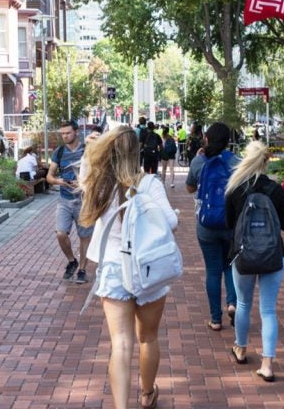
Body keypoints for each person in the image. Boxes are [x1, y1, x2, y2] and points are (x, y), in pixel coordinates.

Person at [79, 125, 177, 409]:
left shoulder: (99, 184)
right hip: (148, 269)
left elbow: (85, 173)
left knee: (120, 344)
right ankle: (147, 394)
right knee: (148, 337)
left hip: (113, 267)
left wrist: (89, 151)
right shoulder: (149, 184)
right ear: (139, 151)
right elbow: (170, 222)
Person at [224, 140, 284, 382]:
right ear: (265, 162)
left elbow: (230, 225)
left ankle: (241, 349)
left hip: (243, 255)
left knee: (243, 304)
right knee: (268, 309)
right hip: (273, 255)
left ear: (246, 159)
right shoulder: (276, 190)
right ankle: (267, 364)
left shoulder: (235, 188)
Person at [185, 122, 240, 331]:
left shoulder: (199, 161)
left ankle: (215, 319)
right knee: (230, 265)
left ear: (206, 139)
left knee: (213, 269)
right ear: (228, 141)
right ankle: (233, 303)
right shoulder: (236, 161)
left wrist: (199, 158)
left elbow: (190, 188)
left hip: (206, 224)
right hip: (230, 222)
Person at [46, 122, 93, 284]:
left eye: (68, 133)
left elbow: (99, 174)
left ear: (76, 132)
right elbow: (49, 177)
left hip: (84, 201)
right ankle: (72, 260)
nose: (65, 136)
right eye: (62, 133)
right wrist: (59, 181)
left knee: (84, 236)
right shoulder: (59, 152)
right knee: (60, 233)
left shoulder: (88, 151)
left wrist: (84, 184)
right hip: (64, 200)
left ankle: (82, 269)